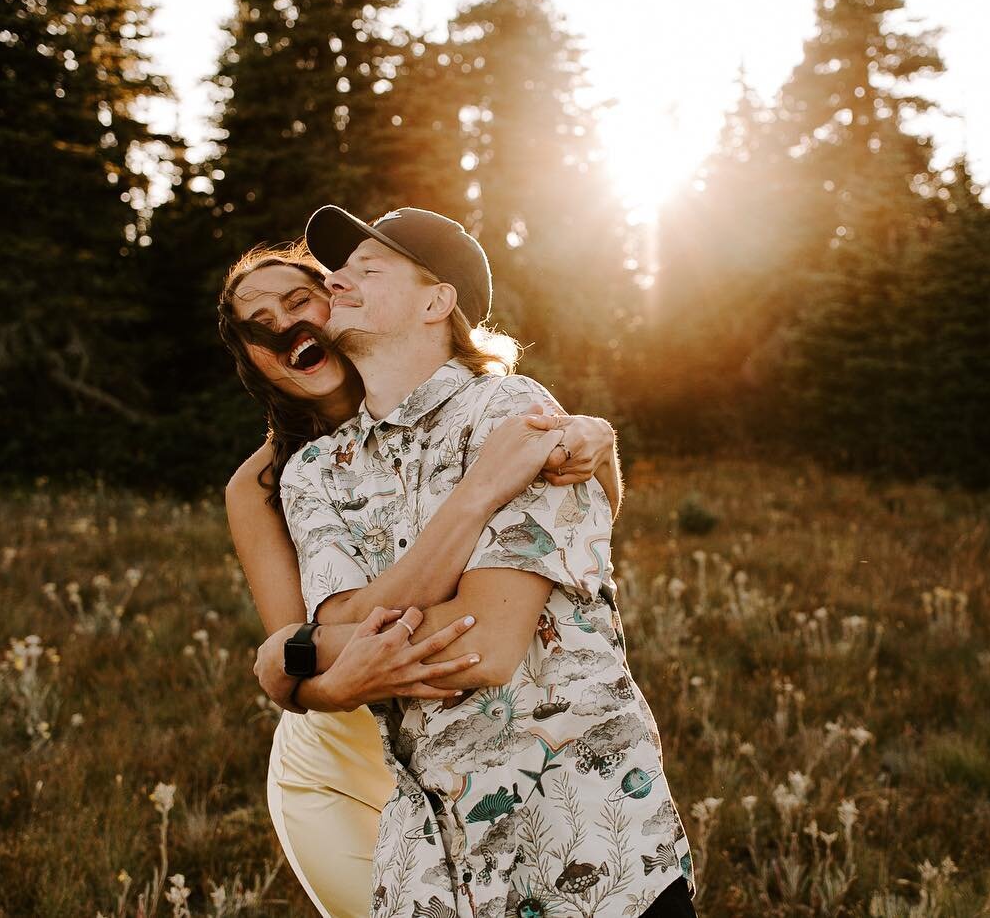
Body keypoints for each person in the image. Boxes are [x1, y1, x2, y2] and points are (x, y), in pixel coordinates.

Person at [280, 205, 696, 918]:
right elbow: (324, 636)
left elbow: (482, 646)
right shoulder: (316, 472)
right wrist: (321, 648)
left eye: (366, 268)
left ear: (437, 301)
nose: (336, 282)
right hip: (437, 863)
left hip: (593, 841)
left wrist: (330, 647)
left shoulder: (516, 414)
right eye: (337, 270)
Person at [217, 241, 624, 918]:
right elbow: (306, 646)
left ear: (340, 297)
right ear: (253, 358)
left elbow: (585, 522)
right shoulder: (267, 484)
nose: (284, 327)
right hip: (345, 758)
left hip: (482, 747)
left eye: (297, 301)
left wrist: (595, 440)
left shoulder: (474, 410)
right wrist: (314, 680)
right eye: (257, 324)